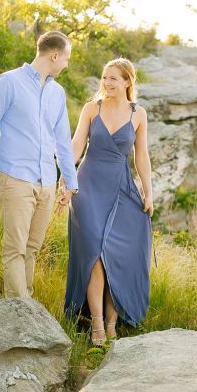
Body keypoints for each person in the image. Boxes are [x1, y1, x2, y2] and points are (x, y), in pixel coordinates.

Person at [0, 31, 80, 299]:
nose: (66, 64)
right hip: (15, 177)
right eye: (66, 58)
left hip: (46, 182)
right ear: (54, 55)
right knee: (15, 250)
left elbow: (63, 142)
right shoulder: (9, 82)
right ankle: (19, 314)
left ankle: (26, 309)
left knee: (31, 249)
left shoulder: (58, 92)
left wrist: (70, 183)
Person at [62, 58, 153, 345]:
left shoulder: (138, 114)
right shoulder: (92, 109)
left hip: (121, 188)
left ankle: (112, 323)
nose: (108, 83)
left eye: (114, 78)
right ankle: (97, 324)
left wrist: (148, 192)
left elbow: (141, 156)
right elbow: (76, 146)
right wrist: (66, 181)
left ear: (128, 81)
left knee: (117, 254)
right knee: (95, 254)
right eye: (105, 77)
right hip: (88, 188)